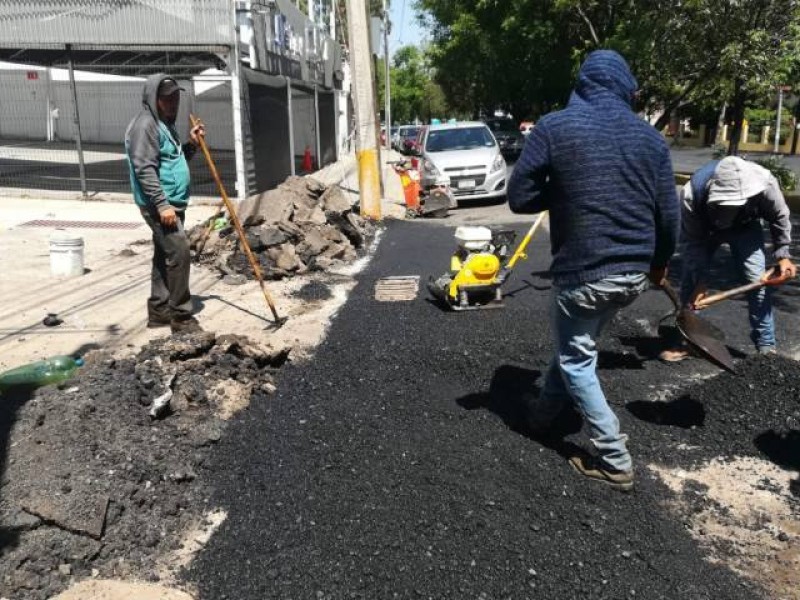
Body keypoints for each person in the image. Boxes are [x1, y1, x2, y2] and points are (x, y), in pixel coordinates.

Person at [507, 50, 680, 492]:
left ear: (583, 84)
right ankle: (544, 415)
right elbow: (669, 216)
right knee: (576, 343)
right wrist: (659, 265)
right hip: (632, 276)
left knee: (577, 359)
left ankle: (614, 457)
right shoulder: (651, 140)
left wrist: (565, 183)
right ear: (626, 88)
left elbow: (521, 197)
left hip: (584, 272)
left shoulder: (555, 127)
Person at [660, 156, 797, 361]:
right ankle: (687, 340)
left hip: (745, 227)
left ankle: (766, 346)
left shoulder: (766, 185)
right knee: (691, 283)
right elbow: (693, 243)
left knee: (757, 281)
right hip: (705, 229)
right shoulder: (692, 195)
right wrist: (700, 282)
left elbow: (779, 218)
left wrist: (783, 255)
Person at [125, 74, 206, 333]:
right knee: (179, 251)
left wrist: (192, 145)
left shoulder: (164, 124)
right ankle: (181, 317)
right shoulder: (145, 125)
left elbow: (173, 160)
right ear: (153, 99)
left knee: (165, 256)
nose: (173, 103)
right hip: (160, 205)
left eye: (175, 97)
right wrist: (162, 205)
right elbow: (144, 169)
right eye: (166, 98)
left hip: (172, 204)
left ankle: (159, 311)